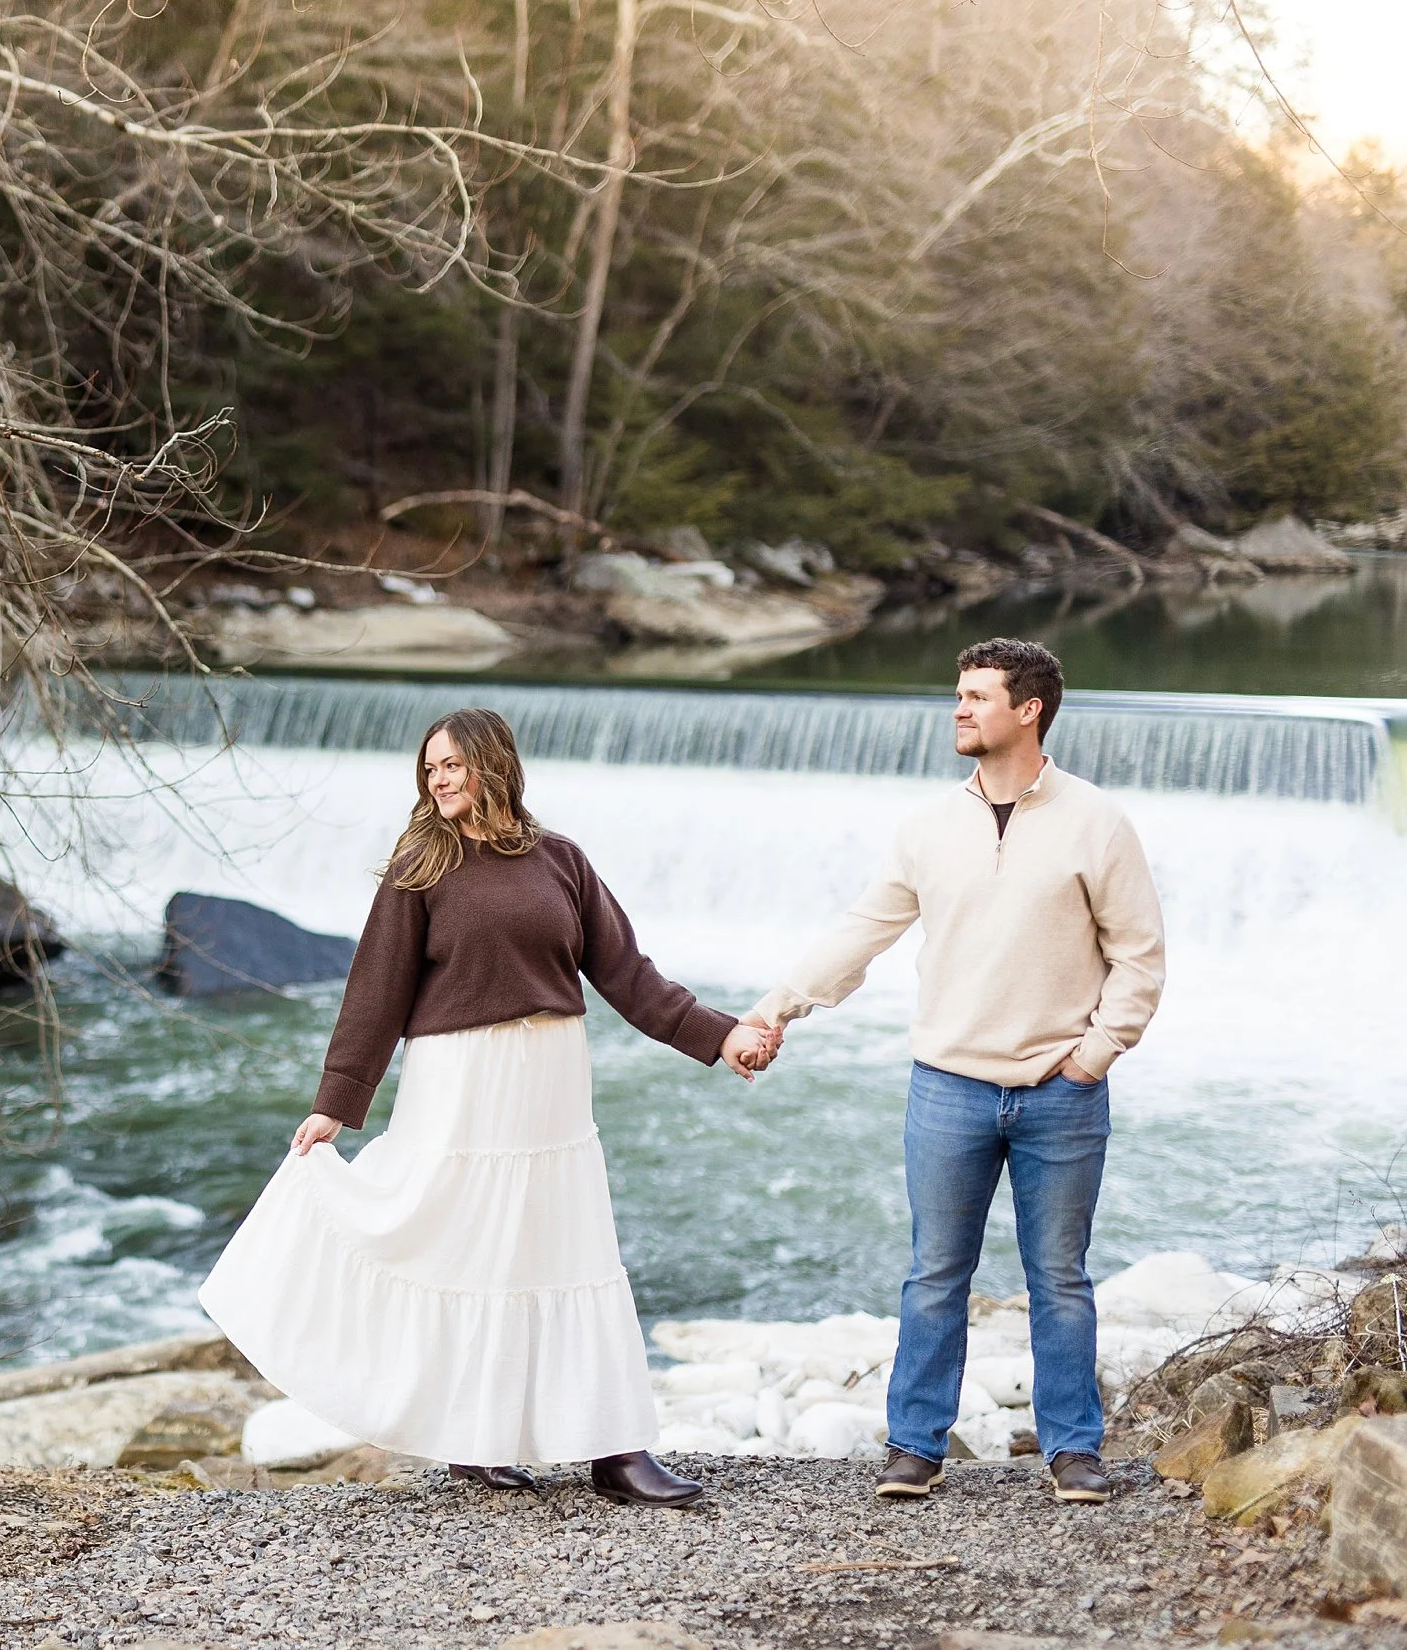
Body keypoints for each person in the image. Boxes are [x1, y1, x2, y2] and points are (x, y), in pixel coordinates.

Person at [198, 707, 778, 1505]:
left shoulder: (561, 861)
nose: (438, 778)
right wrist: (338, 1100)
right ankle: (474, 1438)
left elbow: (631, 977)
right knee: (462, 1250)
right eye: (429, 767)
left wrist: (722, 1038)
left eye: (452, 764)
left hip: (550, 1080)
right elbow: (375, 991)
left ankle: (617, 1449)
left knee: (569, 1248)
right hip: (458, 1082)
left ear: (493, 765)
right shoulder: (419, 867)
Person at [745, 638, 1165, 1506]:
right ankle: (915, 1446)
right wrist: (778, 1005)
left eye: (977, 696)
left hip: (1061, 1092)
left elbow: (1141, 956)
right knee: (936, 1272)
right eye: (959, 695)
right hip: (948, 1086)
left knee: (1060, 1276)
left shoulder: (1097, 821)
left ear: (1029, 709)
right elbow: (863, 930)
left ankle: (1074, 1450)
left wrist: (1093, 1054)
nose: (960, 709)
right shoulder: (928, 827)